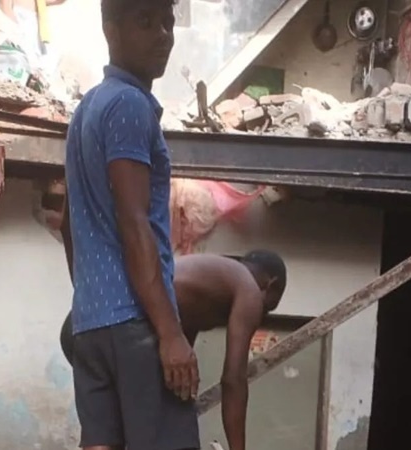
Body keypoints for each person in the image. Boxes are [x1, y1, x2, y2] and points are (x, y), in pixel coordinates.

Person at [59, 0, 197, 448]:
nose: (163, 35)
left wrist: (93, 297)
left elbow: (66, 223)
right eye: (146, 22)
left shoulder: (86, 110)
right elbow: (134, 221)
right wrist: (170, 333)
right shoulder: (130, 105)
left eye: (168, 23)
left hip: (90, 324)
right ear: (110, 29)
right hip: (137, 323)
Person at [60, 251, 288, 450]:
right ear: (271, 285)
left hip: (82, 324)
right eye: (269, 307)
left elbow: (180, 352)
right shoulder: (248, 289)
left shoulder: (211, 282)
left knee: (109, 436)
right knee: (175, 434)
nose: (262, 314)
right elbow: (233, 380)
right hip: (128, 327)